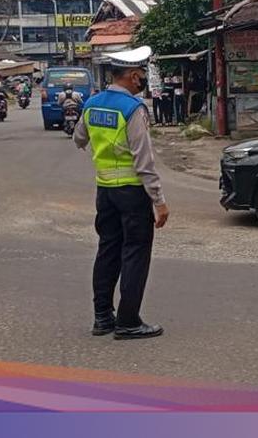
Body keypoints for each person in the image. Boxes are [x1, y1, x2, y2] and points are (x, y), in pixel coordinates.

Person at [73, 46, 170, 341]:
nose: (142, 80)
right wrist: (159, 201)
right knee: (135, 254)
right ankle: (128, 321)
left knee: (107, 251)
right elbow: (144, 161)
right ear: (131, 75)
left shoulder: (92, 103)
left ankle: (102, 317)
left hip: (105, 192)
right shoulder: (133, 109)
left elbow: (79, 139)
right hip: (132, 193)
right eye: (140, 75)